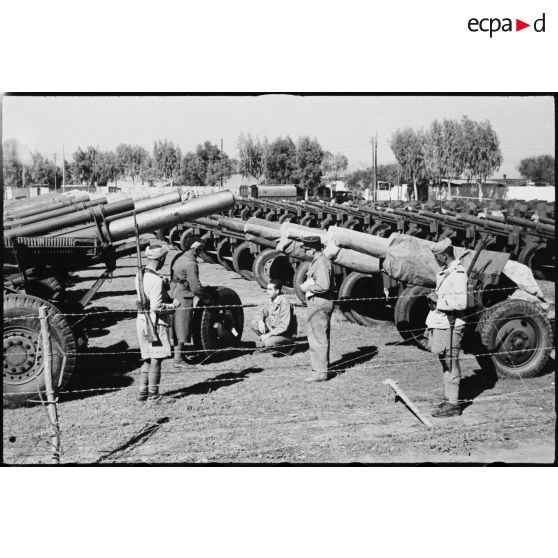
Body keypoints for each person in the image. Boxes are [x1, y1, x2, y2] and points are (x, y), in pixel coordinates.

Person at [425, 238, 468, 418]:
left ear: (444, 255)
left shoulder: (457, 273)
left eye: (437, 257)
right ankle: (450, 398)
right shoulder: (448, 271)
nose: (436, 260)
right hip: (443, 323)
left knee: (452, 361)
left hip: (451, 325)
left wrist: (438, 301)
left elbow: (461, 303)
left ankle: (453, 404)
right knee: (446, 360)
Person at [135, 244, 180, 405]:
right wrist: (173, 305)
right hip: (155, 323)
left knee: (147, 358)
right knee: (156, 359)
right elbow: (156, 307)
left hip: (141, 320)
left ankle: (142, 394)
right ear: (161, 258)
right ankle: (153, 396)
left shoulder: (140, 275)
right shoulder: (155, 280)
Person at [299, 236, 335, 383]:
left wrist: (307, 287)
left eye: (306, 249)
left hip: (319, 303)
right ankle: (321, 369)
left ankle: (319, 373)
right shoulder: (320, 261)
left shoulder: (320, 262)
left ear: (312, 250)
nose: (305, 252)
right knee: (319, 337)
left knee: (316, 339)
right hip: (320, 302)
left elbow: (324, 285)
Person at [169, 236, 204, 363]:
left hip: (173, 291)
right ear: (196, 249)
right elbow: (195, 288)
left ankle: (177, 355)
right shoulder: (191, 264)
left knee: (175, 325)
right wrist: (208, 298)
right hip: (184, 294)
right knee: (183, 325)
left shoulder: (179, 256)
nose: (201, 252)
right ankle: (178, 359)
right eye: (201, 249)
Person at [249, 279, 297, 352]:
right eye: (267, 289)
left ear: (277, 291)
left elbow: (284, 326)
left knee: (268, 342)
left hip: (285, 335)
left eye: (270, 289)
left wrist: (268, 335)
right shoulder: (271, 300)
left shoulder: (285, 303)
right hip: (274, 331)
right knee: (254, 323)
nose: (267, 292)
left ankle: (289, 347)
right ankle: (269, 343)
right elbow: (260, 312)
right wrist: (261, 321)